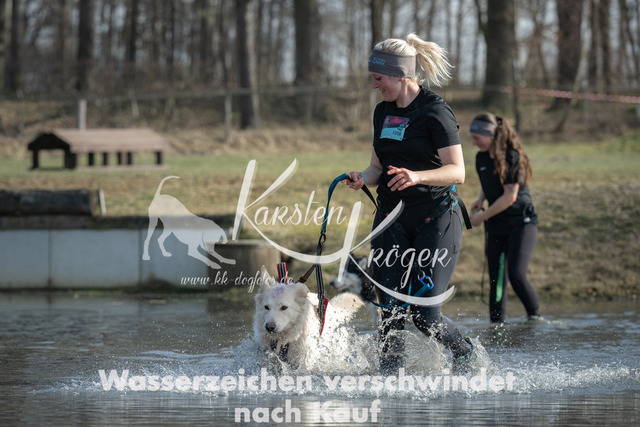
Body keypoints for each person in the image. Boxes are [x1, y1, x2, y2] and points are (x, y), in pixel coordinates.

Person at [343, 33, 474, 374]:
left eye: (378, 78)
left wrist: (417, 176)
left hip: (436, 218)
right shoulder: (382, 112)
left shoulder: (435, 111)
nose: (374, 85)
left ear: (400, 75)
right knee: (389, 310)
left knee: (424, 314)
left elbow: (458, 171)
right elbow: (376, 167)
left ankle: (465, 354)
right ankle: (390, 382)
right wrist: (362, 178)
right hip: (392, 220)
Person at [468, 112, 541, 323]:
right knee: (496, 280)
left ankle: (535, 319)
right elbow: (490, 182)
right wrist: (480, 199)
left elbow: (510, 196)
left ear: (490, 135)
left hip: (521, 223)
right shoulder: (481, 158)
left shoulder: (511, 156)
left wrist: (481, 217)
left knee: (516, 275)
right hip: (497, 225)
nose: (474, 143)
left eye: (477, 138)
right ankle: (496, 328)